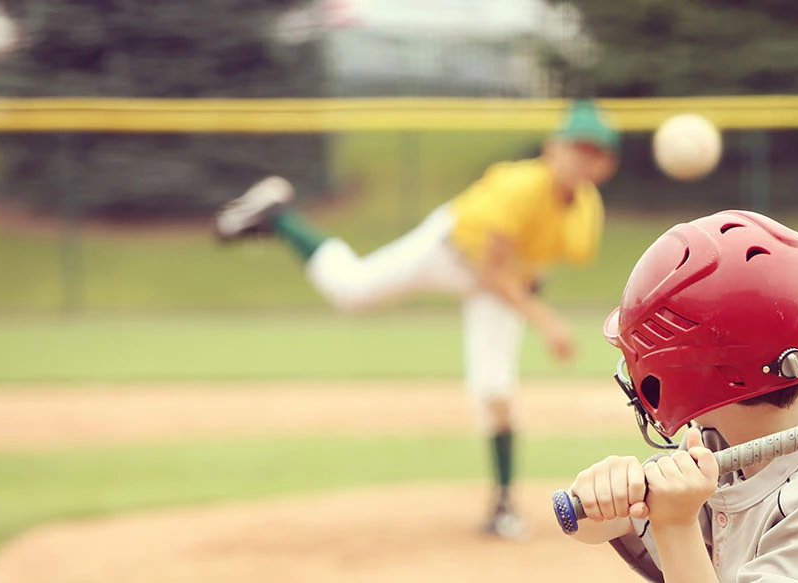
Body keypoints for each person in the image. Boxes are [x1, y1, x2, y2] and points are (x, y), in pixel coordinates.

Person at [212, 99, 620, 539]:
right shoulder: (520, 186)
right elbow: (490, 270)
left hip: (500, 283)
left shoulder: (586, 213)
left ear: (606, 165)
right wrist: (545, 320)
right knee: (350, 289)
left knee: (495, 388)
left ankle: (503, 507)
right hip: (450, 251)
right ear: (552, 148)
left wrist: (530, 300)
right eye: (575, 147)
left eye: (592, 152)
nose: (581, 160)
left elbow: (536, 263)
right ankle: (279, 216)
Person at [566, 210, 798, 582]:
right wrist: (602, 493)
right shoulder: (718, 446)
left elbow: (674, 525)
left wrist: (676, 524)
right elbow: (591, 525)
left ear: (690, 371)